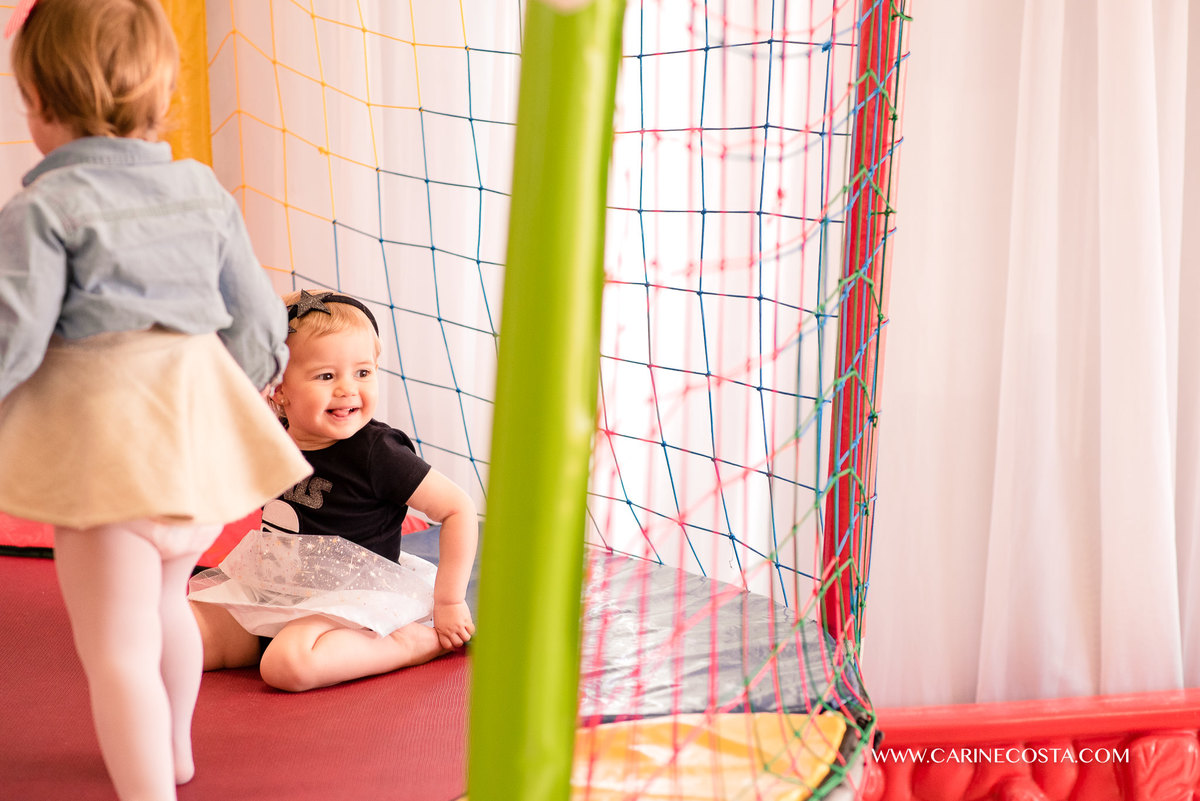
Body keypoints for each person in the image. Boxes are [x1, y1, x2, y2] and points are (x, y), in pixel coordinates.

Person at [0, 1, 313, 799]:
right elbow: (257, 326)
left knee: (115, 652)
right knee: (171, 602)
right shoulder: (201, 189)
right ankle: (174, 754)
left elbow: (14, 341)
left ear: (40, 105)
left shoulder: (42, 209)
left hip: (111, 462)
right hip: (192, 453)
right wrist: (224, 410)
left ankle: (151, 791)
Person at [190, 289, 479, 693]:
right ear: (279, 390)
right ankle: (267, 640)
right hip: (275, 588)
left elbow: (458, 509)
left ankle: (405, 643)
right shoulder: (272, 438)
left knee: (287, 664)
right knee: (178, 636)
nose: (347, 389)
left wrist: (448, 601)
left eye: (362, 373)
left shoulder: (378, 452)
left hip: (353, 598)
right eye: (326, 376)